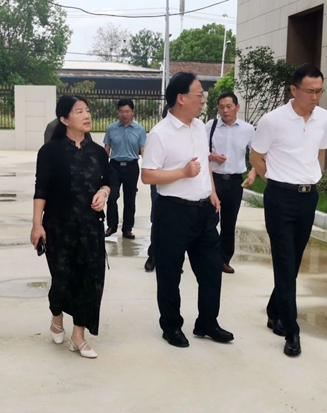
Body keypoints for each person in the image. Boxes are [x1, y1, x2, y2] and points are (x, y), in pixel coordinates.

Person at [141, 72, 234, 348]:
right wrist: (182, 172)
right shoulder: (160, 133)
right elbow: (147, 175)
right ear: (181, 98)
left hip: (204, 213)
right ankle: (171, 326)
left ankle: (207, 322)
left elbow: (203, 164)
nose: (203, 100)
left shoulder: (199, 127)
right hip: (173, 212)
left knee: (211, 271)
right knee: (170, 273)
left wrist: (212, 192)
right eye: (199, 95)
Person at [250, 64, 327, 358]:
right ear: (294, 90)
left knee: (293, 260)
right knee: (284, 262)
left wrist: (306, 175)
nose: (315, 97)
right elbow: (256, 156)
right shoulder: (273, 121)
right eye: (310, 91)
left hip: (308, 197)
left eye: (319, 91)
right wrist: (274, 180)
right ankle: (291, 330)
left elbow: (319, 152)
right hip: (280, 198)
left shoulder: (324, 118)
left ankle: (275, 311)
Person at [31, 95, 110, 359]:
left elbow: (109, 180)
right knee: (62, 279)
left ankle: (78, 336)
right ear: (64, 119)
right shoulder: (50, 152)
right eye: (79, 111)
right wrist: (36, 225)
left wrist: (104, 192)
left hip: (90, 227)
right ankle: (56, 316)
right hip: (58, 227)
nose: (87, 115)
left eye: (87, 110)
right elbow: (41, 189)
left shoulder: (98, 152)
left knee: (90, 279)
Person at [206, 92, 256, 274]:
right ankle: (210, 256)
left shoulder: (247, 129)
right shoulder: (210, 126)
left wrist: (253, 170)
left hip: (235, 181)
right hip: (214, 180)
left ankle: (224, 259)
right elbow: (199, 151)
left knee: (229, 222)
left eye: (229, 106)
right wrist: (212, 156)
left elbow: (257, 153)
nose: (225, 110)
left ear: (237, 107)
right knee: (210, 220)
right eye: (221, 107)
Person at [103, 99, 147, 239]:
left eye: (127, 111)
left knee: (130, 199)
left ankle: (127, 229)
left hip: (131, 166)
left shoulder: (140, 130)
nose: (124, 114)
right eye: (121, 111)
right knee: (112, 197)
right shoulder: (111, 129)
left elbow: (143, 150)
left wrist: (147, 167)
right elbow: (106, 149)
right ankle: (112, 226)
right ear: (118, 112)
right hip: (114, 166)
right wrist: (102, 167)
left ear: (133, 112)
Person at [144, 104, 169, 273]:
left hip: (181, 186)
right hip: (160, 185)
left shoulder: (192, 133)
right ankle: (153, 255)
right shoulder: (158, 134)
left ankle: (171, 258)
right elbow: (149, 171)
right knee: (158, 220)